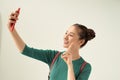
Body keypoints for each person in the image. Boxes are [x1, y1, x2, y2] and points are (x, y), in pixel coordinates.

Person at [8, 9, 96, 80]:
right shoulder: (54, 56)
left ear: (81, 41)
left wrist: (70, 65)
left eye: (71, 35)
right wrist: (12, 30)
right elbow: (25, 50)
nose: (65, 37)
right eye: (66, 33)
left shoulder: (85, 67)